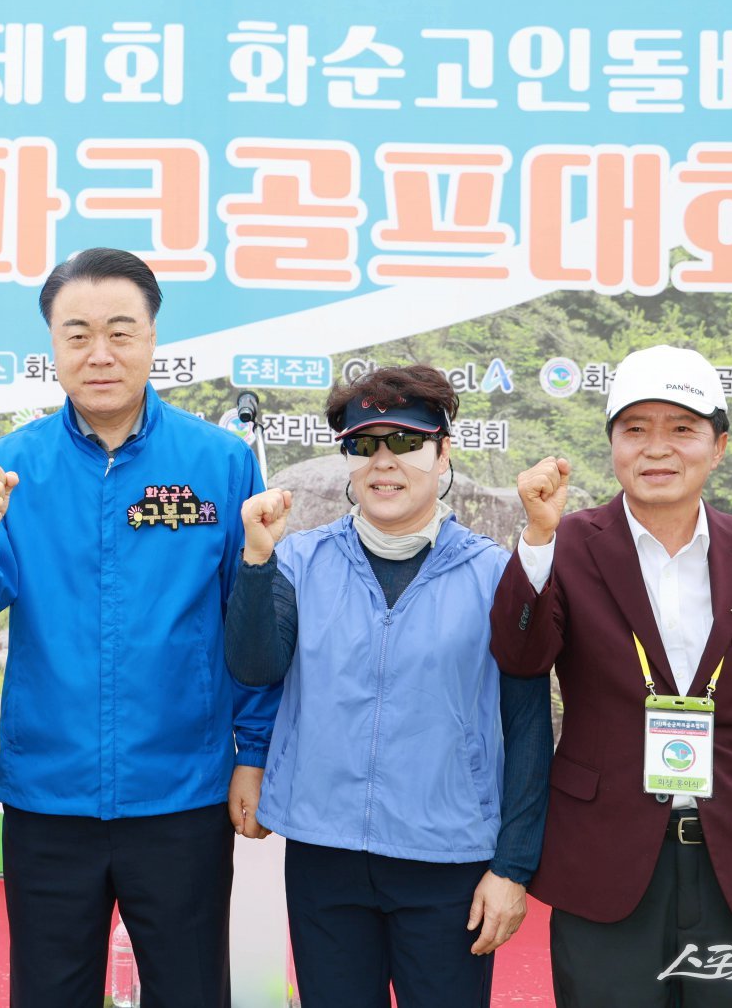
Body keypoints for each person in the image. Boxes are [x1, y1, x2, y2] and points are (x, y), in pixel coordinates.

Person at [0, 247, 278, 1008]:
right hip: (50, 799)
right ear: (52, 346)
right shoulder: (12, 463)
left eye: (121, 330)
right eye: (77, 334)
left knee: (190, 992)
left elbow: (248, 622)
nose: (101, 353)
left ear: (153, 339)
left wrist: (254, 752)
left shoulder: (218, 462)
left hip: (182, 794)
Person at [490, 344, 732, 1007]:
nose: (657, 449)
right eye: (635, 429)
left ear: (718, 446)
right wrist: (537, 540)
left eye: (682, 429)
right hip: (606, 865)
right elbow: (519, 659)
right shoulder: (570, 545)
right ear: (612, 444)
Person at [224, 364, 552, 1007]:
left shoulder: (494, 574)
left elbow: (528, 724)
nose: (384, 463)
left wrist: (512, 866)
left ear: (443, 451)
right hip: (325, 853)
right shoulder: (297, 560)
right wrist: (257, 559)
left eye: (405, 443)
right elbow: (255, 666)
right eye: (363, 444)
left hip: (448, 861)